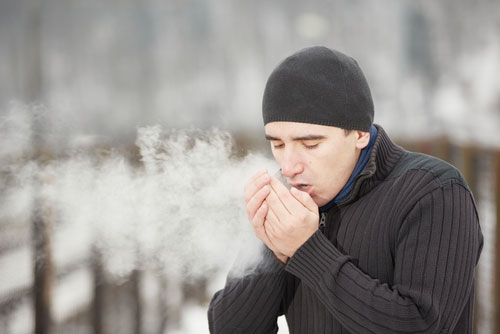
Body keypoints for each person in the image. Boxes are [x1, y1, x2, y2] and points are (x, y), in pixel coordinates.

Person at [207, 46, 483, 333]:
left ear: (360, 134)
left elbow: (421, 327)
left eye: (310, 144)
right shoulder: (287, 198)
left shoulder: (433, 192)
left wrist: (305, 249)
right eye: (277, 144)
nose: (289, 166)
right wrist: (275, 249)